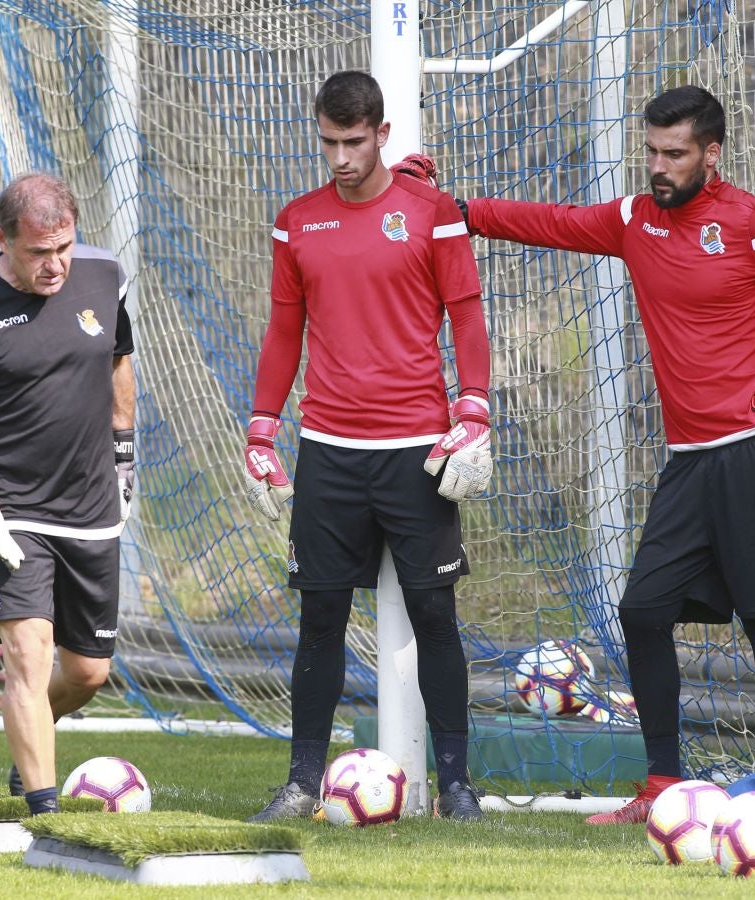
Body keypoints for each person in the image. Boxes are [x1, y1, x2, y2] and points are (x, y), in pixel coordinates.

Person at [425, 84, 755, 825]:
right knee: (642, 610)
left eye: (675, 154)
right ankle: (663, 786)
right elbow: (554, 223)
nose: (659, 167)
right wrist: (461, 210)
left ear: (712, 154)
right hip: (688, 461)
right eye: (652, 152)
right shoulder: (637, 218)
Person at [242, 70, 492, 822]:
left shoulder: (432, 212)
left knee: (434, 613)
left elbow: (467, 316)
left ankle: (455, 786)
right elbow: (286, 329)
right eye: (329, 142)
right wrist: (261, 424)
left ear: (384, 134)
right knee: (318, 616)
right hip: (329, 450)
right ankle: (301, 785)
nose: (341, 157)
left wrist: (473, 408)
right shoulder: (298, 220)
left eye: (354, 142)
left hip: (417, 448)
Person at [0, 173, 136, 816]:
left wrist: (124, 449)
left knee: (87, 673)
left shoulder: (105, 275)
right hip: (9, 510)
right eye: (39, 252)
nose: (56, 265)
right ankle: (44, 812)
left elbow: (119, 358)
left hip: (93, 505)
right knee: (26, 653)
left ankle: (29, 741)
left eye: (64, 247)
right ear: (3, 240)